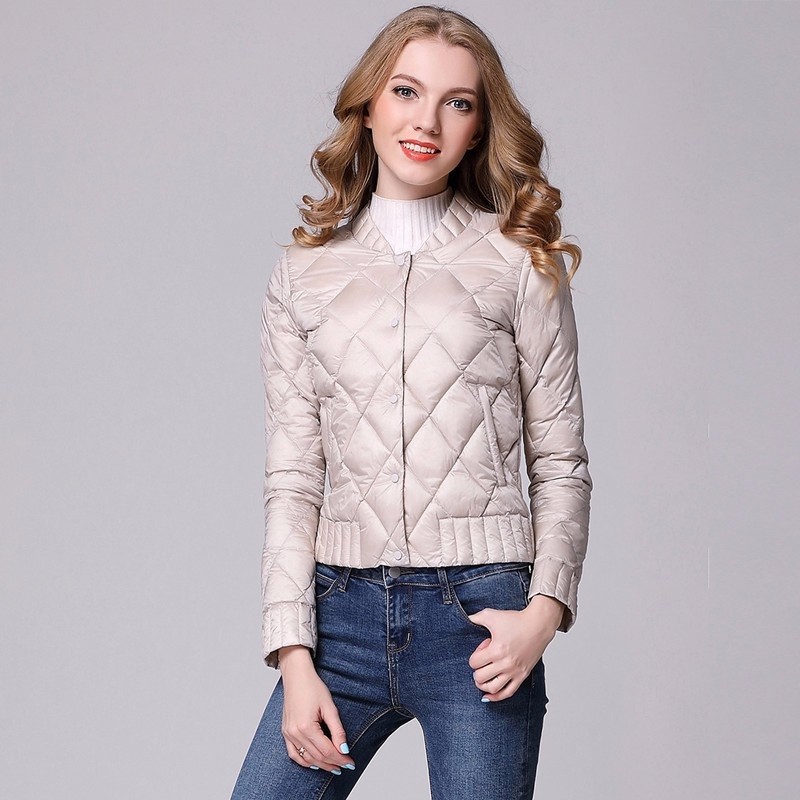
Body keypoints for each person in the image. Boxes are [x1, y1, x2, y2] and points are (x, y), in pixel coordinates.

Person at [231, 5, 592, 799]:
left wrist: (543, 614)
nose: (426, 121)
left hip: (480, 621)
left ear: (478, 128)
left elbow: (561, 461)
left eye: (457, 102)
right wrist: (294, 656)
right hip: (339, 620)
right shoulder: (304, 275)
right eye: (405, 91)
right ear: (368, 106)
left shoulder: (520, 263)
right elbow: (293, 479)